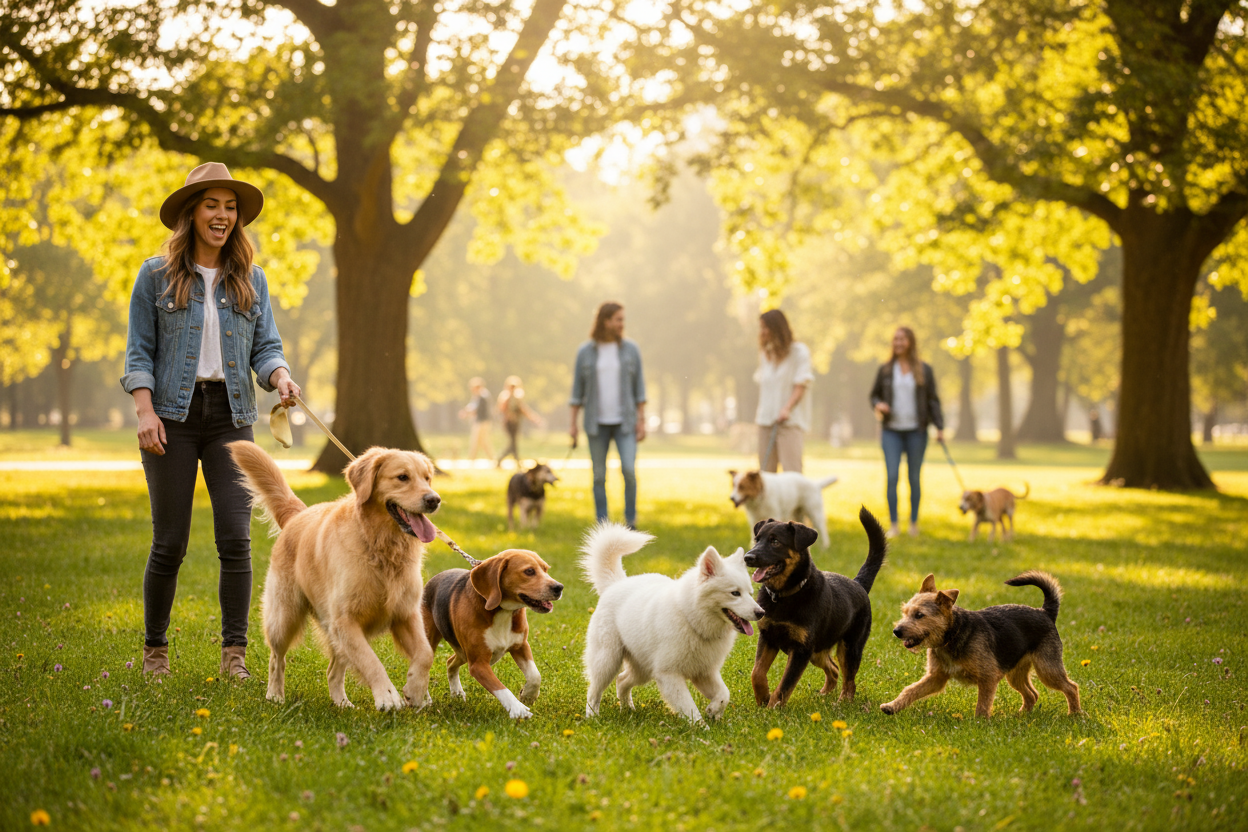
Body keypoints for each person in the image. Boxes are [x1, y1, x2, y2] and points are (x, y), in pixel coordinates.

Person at [121, 162, 300, 679]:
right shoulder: (154, 275)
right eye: (211, 205)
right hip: (170, 418)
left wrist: (282, 378)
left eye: (229, 207)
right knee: (170, 541)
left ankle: (235, 656)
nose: (221, 215)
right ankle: (156, 651)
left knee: (236, 539)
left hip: (232, 416)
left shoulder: (251, 278)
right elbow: (139, 353)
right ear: (191, 213)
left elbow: (265, 347)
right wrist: (145, 412)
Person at [569, 302, 647, 528]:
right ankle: (602, 523)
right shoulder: (585, 352)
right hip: (596, 424)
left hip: (626, 423)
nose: (622, 324)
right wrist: (572, 425)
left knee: (629, 471)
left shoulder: (631, 350)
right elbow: (577, 392)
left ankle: (630, 520)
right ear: (605, 321)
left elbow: (639, 389)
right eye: (618, 319)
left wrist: (642, 421)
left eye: (623, 319)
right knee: (598, 476)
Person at [869, 326, 944, 538]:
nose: (898, 343)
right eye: (895, 339)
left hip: (916, 431)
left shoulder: (924, 370)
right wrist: (879, 404)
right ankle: (894, 524)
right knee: (892, 476)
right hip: (891, 430)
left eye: (902, 339)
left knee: (914, 477)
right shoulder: (885, 370)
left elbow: (933, 400)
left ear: (910, 342)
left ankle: (913, 523)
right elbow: (873, 396)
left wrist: (939, 427)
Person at [755, 309, 814, 472]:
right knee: (766, 475)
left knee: (792, 473)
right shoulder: (765, 354)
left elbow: (801, 384)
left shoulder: (799, 352)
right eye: (761, 328)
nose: (762, 332)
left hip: (789, 422)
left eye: (765, 328)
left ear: (777, 328)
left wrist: (787, 408)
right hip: (765, 420)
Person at [496, 375, 543, 467]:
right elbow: (502, 409)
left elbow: (523, 409)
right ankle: (504, 460)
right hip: (509, 423)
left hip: (515, 422)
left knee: (513, 442)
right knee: (512, 443)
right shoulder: (506, 397)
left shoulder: (517, 397)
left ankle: (516, 461)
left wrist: (533, 417)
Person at [458, 377, 494, 462]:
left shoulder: (482, 396)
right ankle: (492, 458)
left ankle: (472, 459)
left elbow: (475, 408)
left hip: (482, 422)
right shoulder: (480, 395)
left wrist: (465, 412)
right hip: (482, 421)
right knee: (483, 442)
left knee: (475, 440)